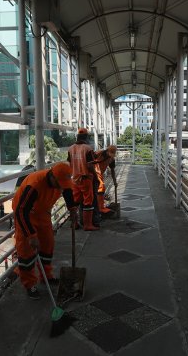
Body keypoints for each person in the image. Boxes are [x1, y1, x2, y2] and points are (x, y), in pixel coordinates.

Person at [12, 162, 77, 299]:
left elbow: (67, 191)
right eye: (59, 183)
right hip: (26, 215)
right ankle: (30, 284)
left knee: (47, 245)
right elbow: (21, 211)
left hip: (42, 212)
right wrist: (31, 235)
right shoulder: (34, 184)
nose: (61, 186)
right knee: (26, 252)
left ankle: (46, 276)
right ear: (52, 176)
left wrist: (72, 209)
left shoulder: (61, 181)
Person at [67, 128, 98, 231]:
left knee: (75, 202)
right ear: (86, 137)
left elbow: (69, 163)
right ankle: (87, 225)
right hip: (85, 179)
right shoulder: (87, 148)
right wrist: (95, 175)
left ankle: (74, 223)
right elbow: (89, 166)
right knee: (88, 201)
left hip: (74, 180)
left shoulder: (70, 148)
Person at [93, 145, 118, 214]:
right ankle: (100, 208)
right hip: (93, 172)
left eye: (113, 153)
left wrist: (115, 181)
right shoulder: (99, 153)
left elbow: (112, 170)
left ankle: (99, 207)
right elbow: (89, 160)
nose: (111, 155)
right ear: (107, 151)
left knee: (99, 190)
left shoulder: (111, 159)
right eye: (111, 153)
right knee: (101, 187)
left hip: (100, 174)